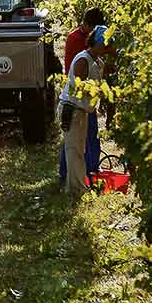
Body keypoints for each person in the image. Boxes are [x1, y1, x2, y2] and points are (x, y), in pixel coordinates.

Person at [58, 25, 109, 195]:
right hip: (72, 109)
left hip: (82, 111)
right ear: (98, 43)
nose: (108, 49)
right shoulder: (83, 60)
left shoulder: (98, 61)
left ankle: (79, 186)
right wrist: (100, 91)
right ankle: (75, 190)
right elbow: (80, 89)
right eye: (106, 45)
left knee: (80, 150)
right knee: (74, 151)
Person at [65, 8, 105, 73]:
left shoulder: (91, 35)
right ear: (86, 24)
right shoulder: (75, 38)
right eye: (94, 29)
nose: (96, 31)